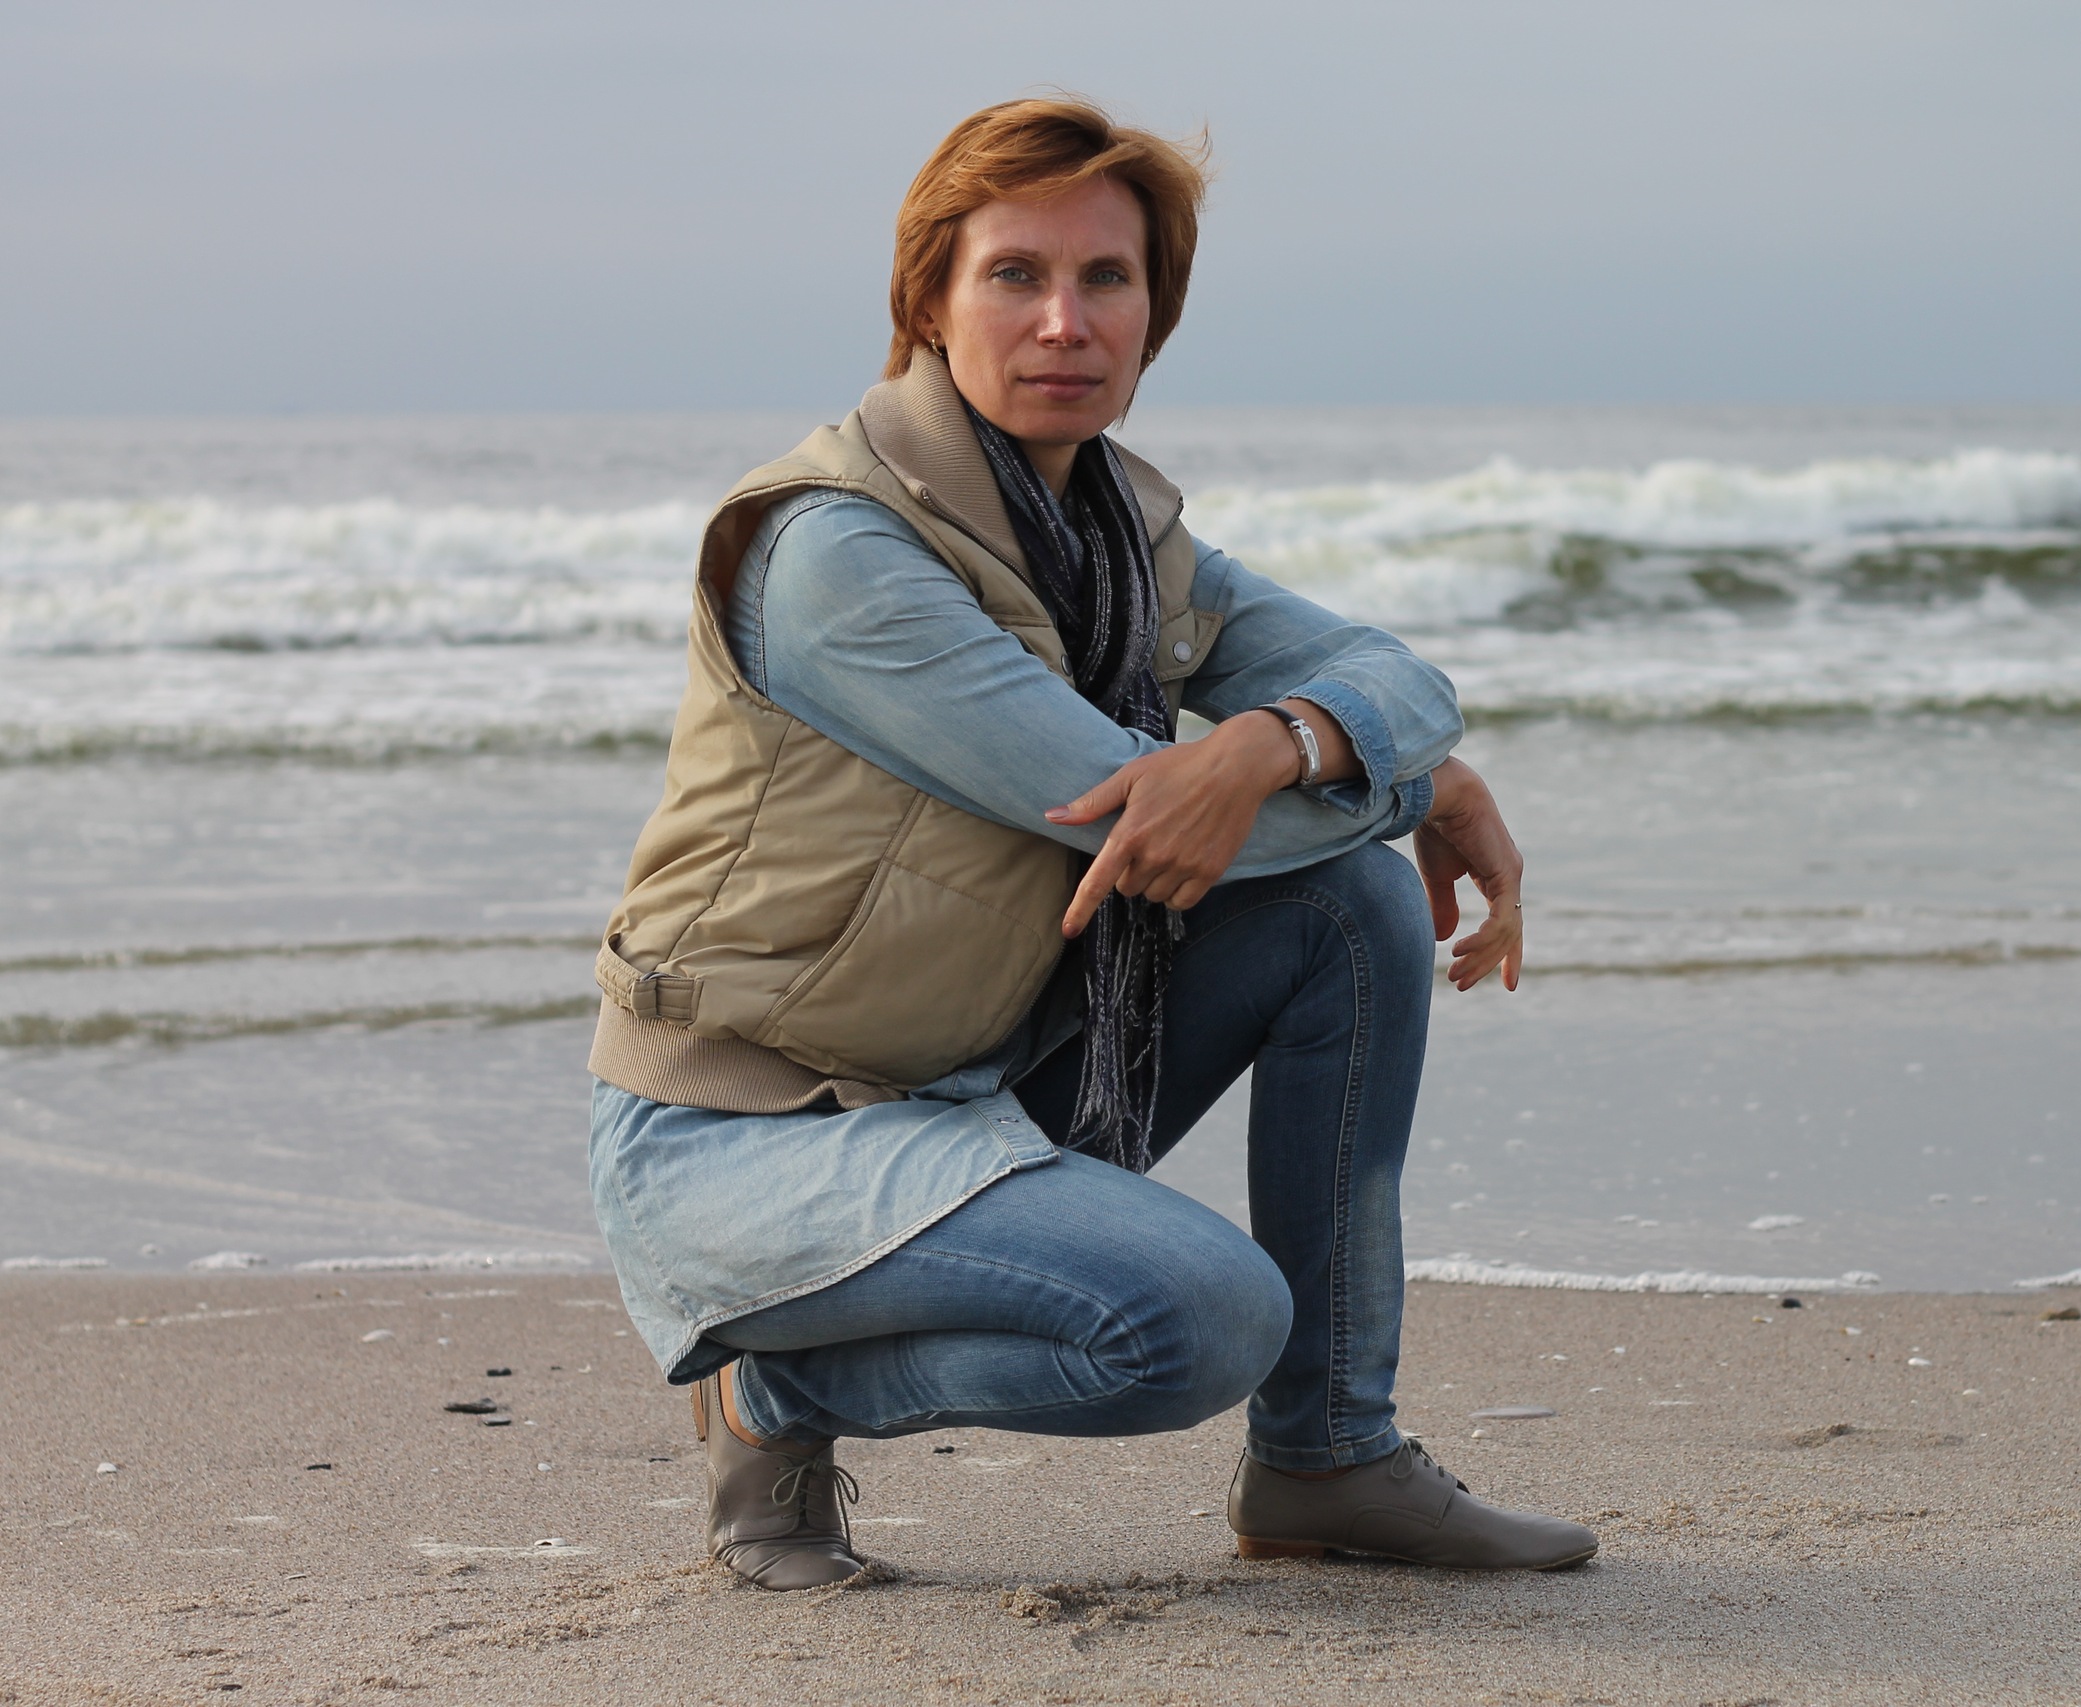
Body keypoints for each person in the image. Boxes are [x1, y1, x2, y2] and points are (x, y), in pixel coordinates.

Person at [587, 96, 1597, 1590]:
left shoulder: (1121, 536)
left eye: (1106, 278)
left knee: (1351, 909)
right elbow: (1128, 817)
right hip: (744, 1138)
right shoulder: (832, 551)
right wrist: (1414, 783)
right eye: (1015, 274)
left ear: (1152, 316)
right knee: (1197, 1317)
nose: (1065, 321)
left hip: (969, 1080)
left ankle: (1329, 1454)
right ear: (929, 302)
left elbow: (1393, 678)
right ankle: (772, 1393)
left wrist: (1282, 739)